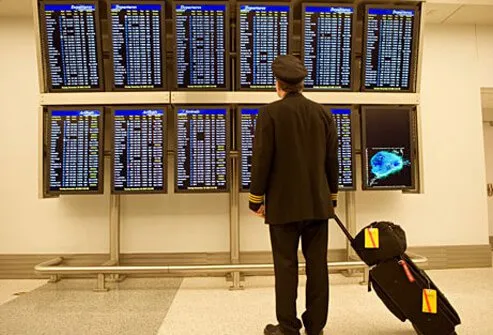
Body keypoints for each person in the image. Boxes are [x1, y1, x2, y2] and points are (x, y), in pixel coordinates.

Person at [249, 55, 339, 335]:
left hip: (283, 207)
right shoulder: (323, 113)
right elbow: (332, 160)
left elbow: (262, 159)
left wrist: (256, 199)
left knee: (285, 267)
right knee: (318, 267)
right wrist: (331, 197)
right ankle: (316, 327)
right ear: (301, 84)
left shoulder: (269, 114)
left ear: (279, 85)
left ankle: (287, 327)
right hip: (317, 204)